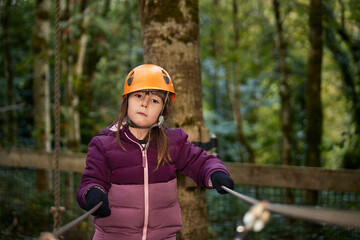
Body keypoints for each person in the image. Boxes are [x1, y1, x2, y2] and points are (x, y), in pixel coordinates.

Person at [77, 64, 234, 240]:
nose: (144, 103)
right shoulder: (104, 144)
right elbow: (91, 180)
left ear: (163, 111)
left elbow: (201, 161)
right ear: (126, 100)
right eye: (138, 95)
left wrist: (216, 173)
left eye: (154, 101)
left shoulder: (173, 142)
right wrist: (93, 193)